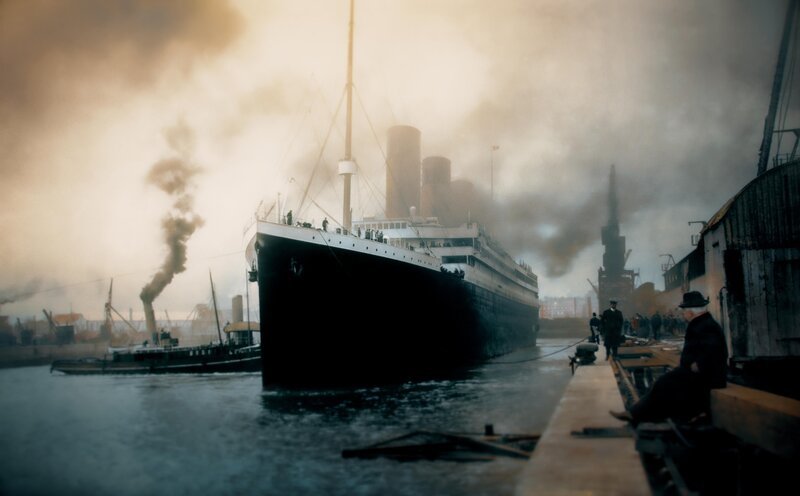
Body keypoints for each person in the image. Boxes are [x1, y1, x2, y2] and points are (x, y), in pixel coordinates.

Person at [610, 291, 728, 424]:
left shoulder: (706, 325)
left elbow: (714, 350)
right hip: (700, 373)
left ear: (690, 312)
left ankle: (639, 415)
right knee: (664, 382)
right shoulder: (702, 323)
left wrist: (700, 364)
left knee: (665, 383)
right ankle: (640, 414)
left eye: (684, 311)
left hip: (707, 375)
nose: (683, 314)